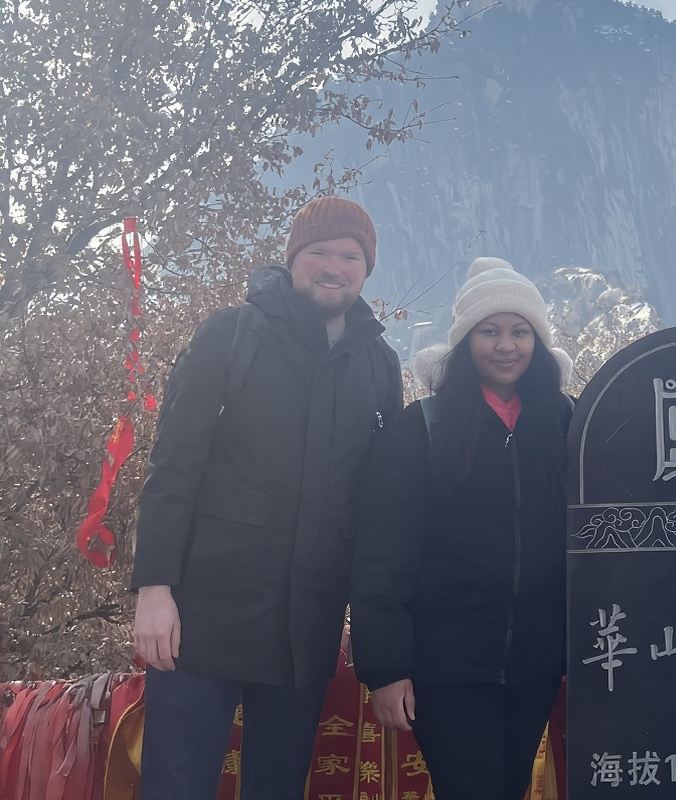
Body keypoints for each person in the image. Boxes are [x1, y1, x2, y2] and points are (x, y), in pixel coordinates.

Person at [130, 196, 403, 799]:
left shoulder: (379, 364)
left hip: (307, 627)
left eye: (350, 256)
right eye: (319, 252)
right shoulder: (231, 335)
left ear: (367, 268)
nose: (334, 266)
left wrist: (376, 627)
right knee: (176, 783)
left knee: (278, 786)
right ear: (293, 258)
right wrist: (154, 590)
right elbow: (173, 467)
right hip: (201, 617)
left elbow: (382, 511)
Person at [350, 257, 575, 800]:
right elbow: (382, 553)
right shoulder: (422, 427)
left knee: (510, 785)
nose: (506, 346)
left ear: (538, 343)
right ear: (465, 343)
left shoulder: (566, 423)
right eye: (489, 332)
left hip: (535, 662)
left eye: (520, 332)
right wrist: (384, 667)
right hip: (445, 665)